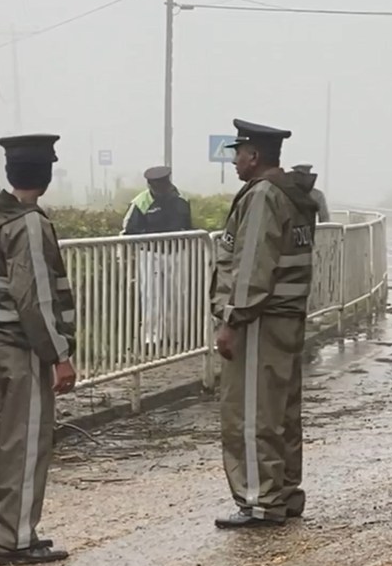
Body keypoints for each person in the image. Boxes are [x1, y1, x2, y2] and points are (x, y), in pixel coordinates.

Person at [0, 134, 78, 566]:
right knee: (27, 443)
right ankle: (16, 539)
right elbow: (34, 297)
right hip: (22, 348)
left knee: (3, 441)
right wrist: (59, 355)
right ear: (46, 174)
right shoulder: (29, 224)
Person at [211, 120, 319, 528]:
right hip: (285, 317)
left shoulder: (262, 197)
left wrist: (232, 319)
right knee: (281, 412)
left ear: (254, 156)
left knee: (251, 412)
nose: (235, 161)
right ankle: (285, 491)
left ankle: (260, 500)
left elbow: (252, 265)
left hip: (260, 320)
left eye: (239, 153)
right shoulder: (291, 195)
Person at [123, 165, 196, 346]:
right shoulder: (140, 202)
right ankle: (152, 338)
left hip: (178, 252)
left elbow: (188, 225)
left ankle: (177, 336)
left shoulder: (182, 199)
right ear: (150, 185)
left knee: (177, 296)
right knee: (152, 296)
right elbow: (128, 231)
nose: (160, 188)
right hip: (151, 254)